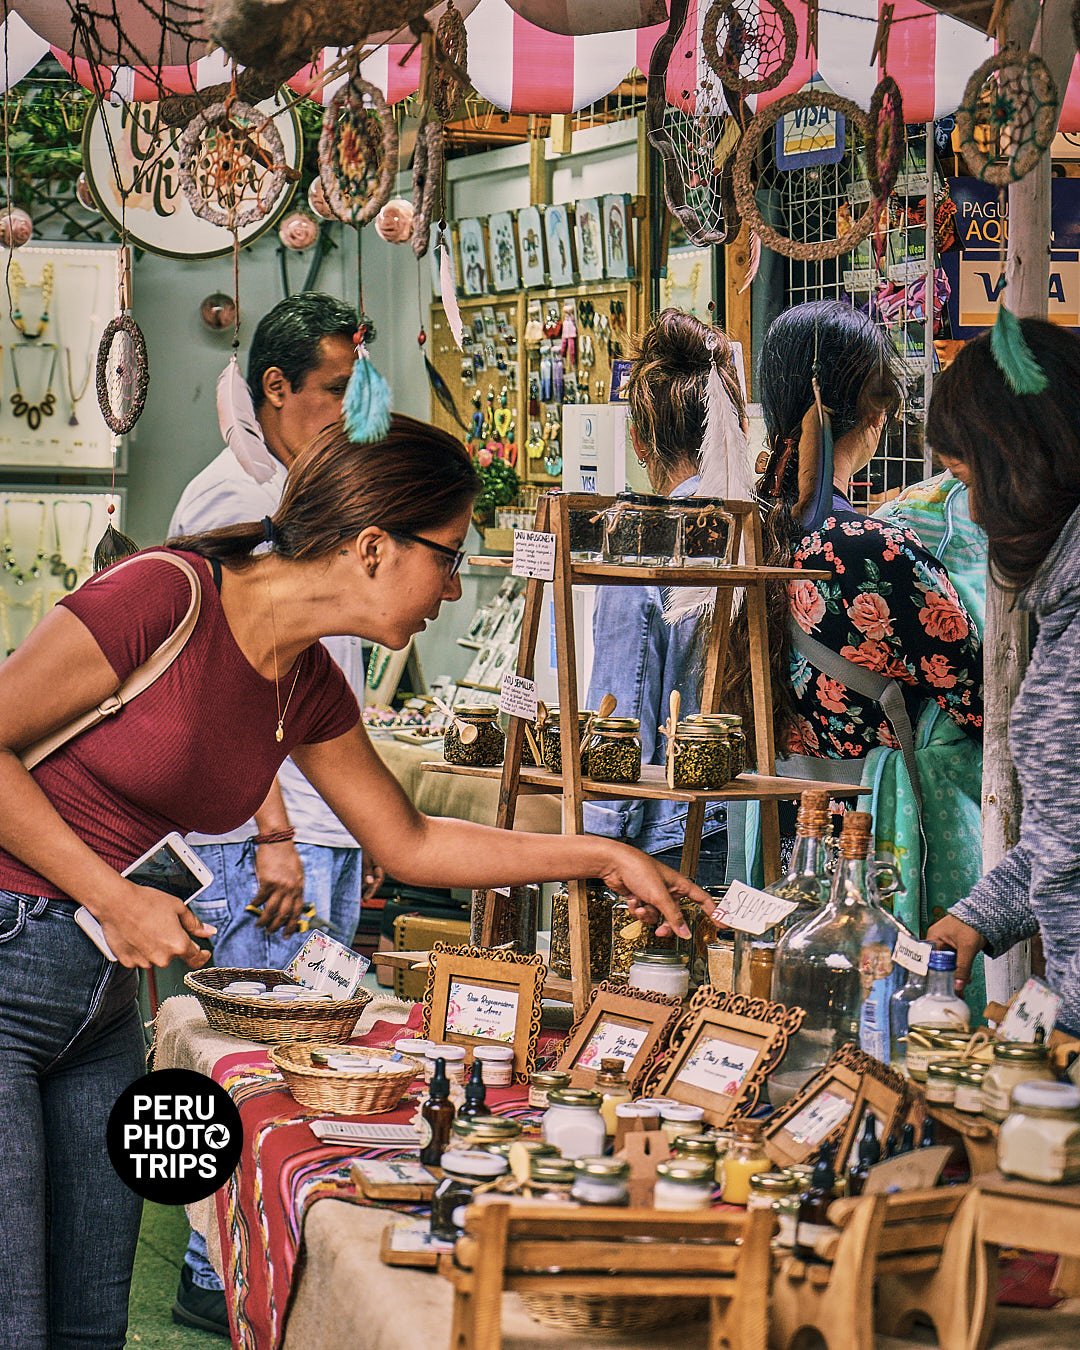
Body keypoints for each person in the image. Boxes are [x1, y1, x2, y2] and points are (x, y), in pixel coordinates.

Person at [0, 412, 711, 1346]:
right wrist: (111, 894)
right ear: (375, 546)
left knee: (89, 1320)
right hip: (15, 954)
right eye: (449, 557)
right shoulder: (163, 595)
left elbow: (409, 841)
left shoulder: (306, 683)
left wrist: (608, 855)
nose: (454, 591)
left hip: (98, 1006)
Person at [167, 292, 378, 1333]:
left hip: (317, 825)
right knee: (241, 1059)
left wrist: (344, 830)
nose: (344, 408)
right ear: (276, 390)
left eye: (354, 387)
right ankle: (211, 1281)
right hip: (261, 834)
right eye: (330, 391)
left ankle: (267, 1274)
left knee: (304, 1062)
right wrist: (276, 829)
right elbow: (218, 693)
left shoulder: (310, 496)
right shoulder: (222, 503)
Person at [724, 300, 984, 953]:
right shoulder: (878, 553)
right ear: (874, 412)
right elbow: (983, 700)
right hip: (866, 860)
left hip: (767, 838)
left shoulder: (739, 532)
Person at [925, 317, 1080, 1035]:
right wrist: (980, 915)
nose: (972, 512)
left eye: (965, 478)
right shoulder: (1064, 598)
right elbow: (1064, 832)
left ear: (1016, 463)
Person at [584, 309, 751, 886]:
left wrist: (599, 840)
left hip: (676, 832)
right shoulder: (765, 528)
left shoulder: (643, 542)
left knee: (664, 976)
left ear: (637, 438)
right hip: (764, 817)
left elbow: (619, 709)